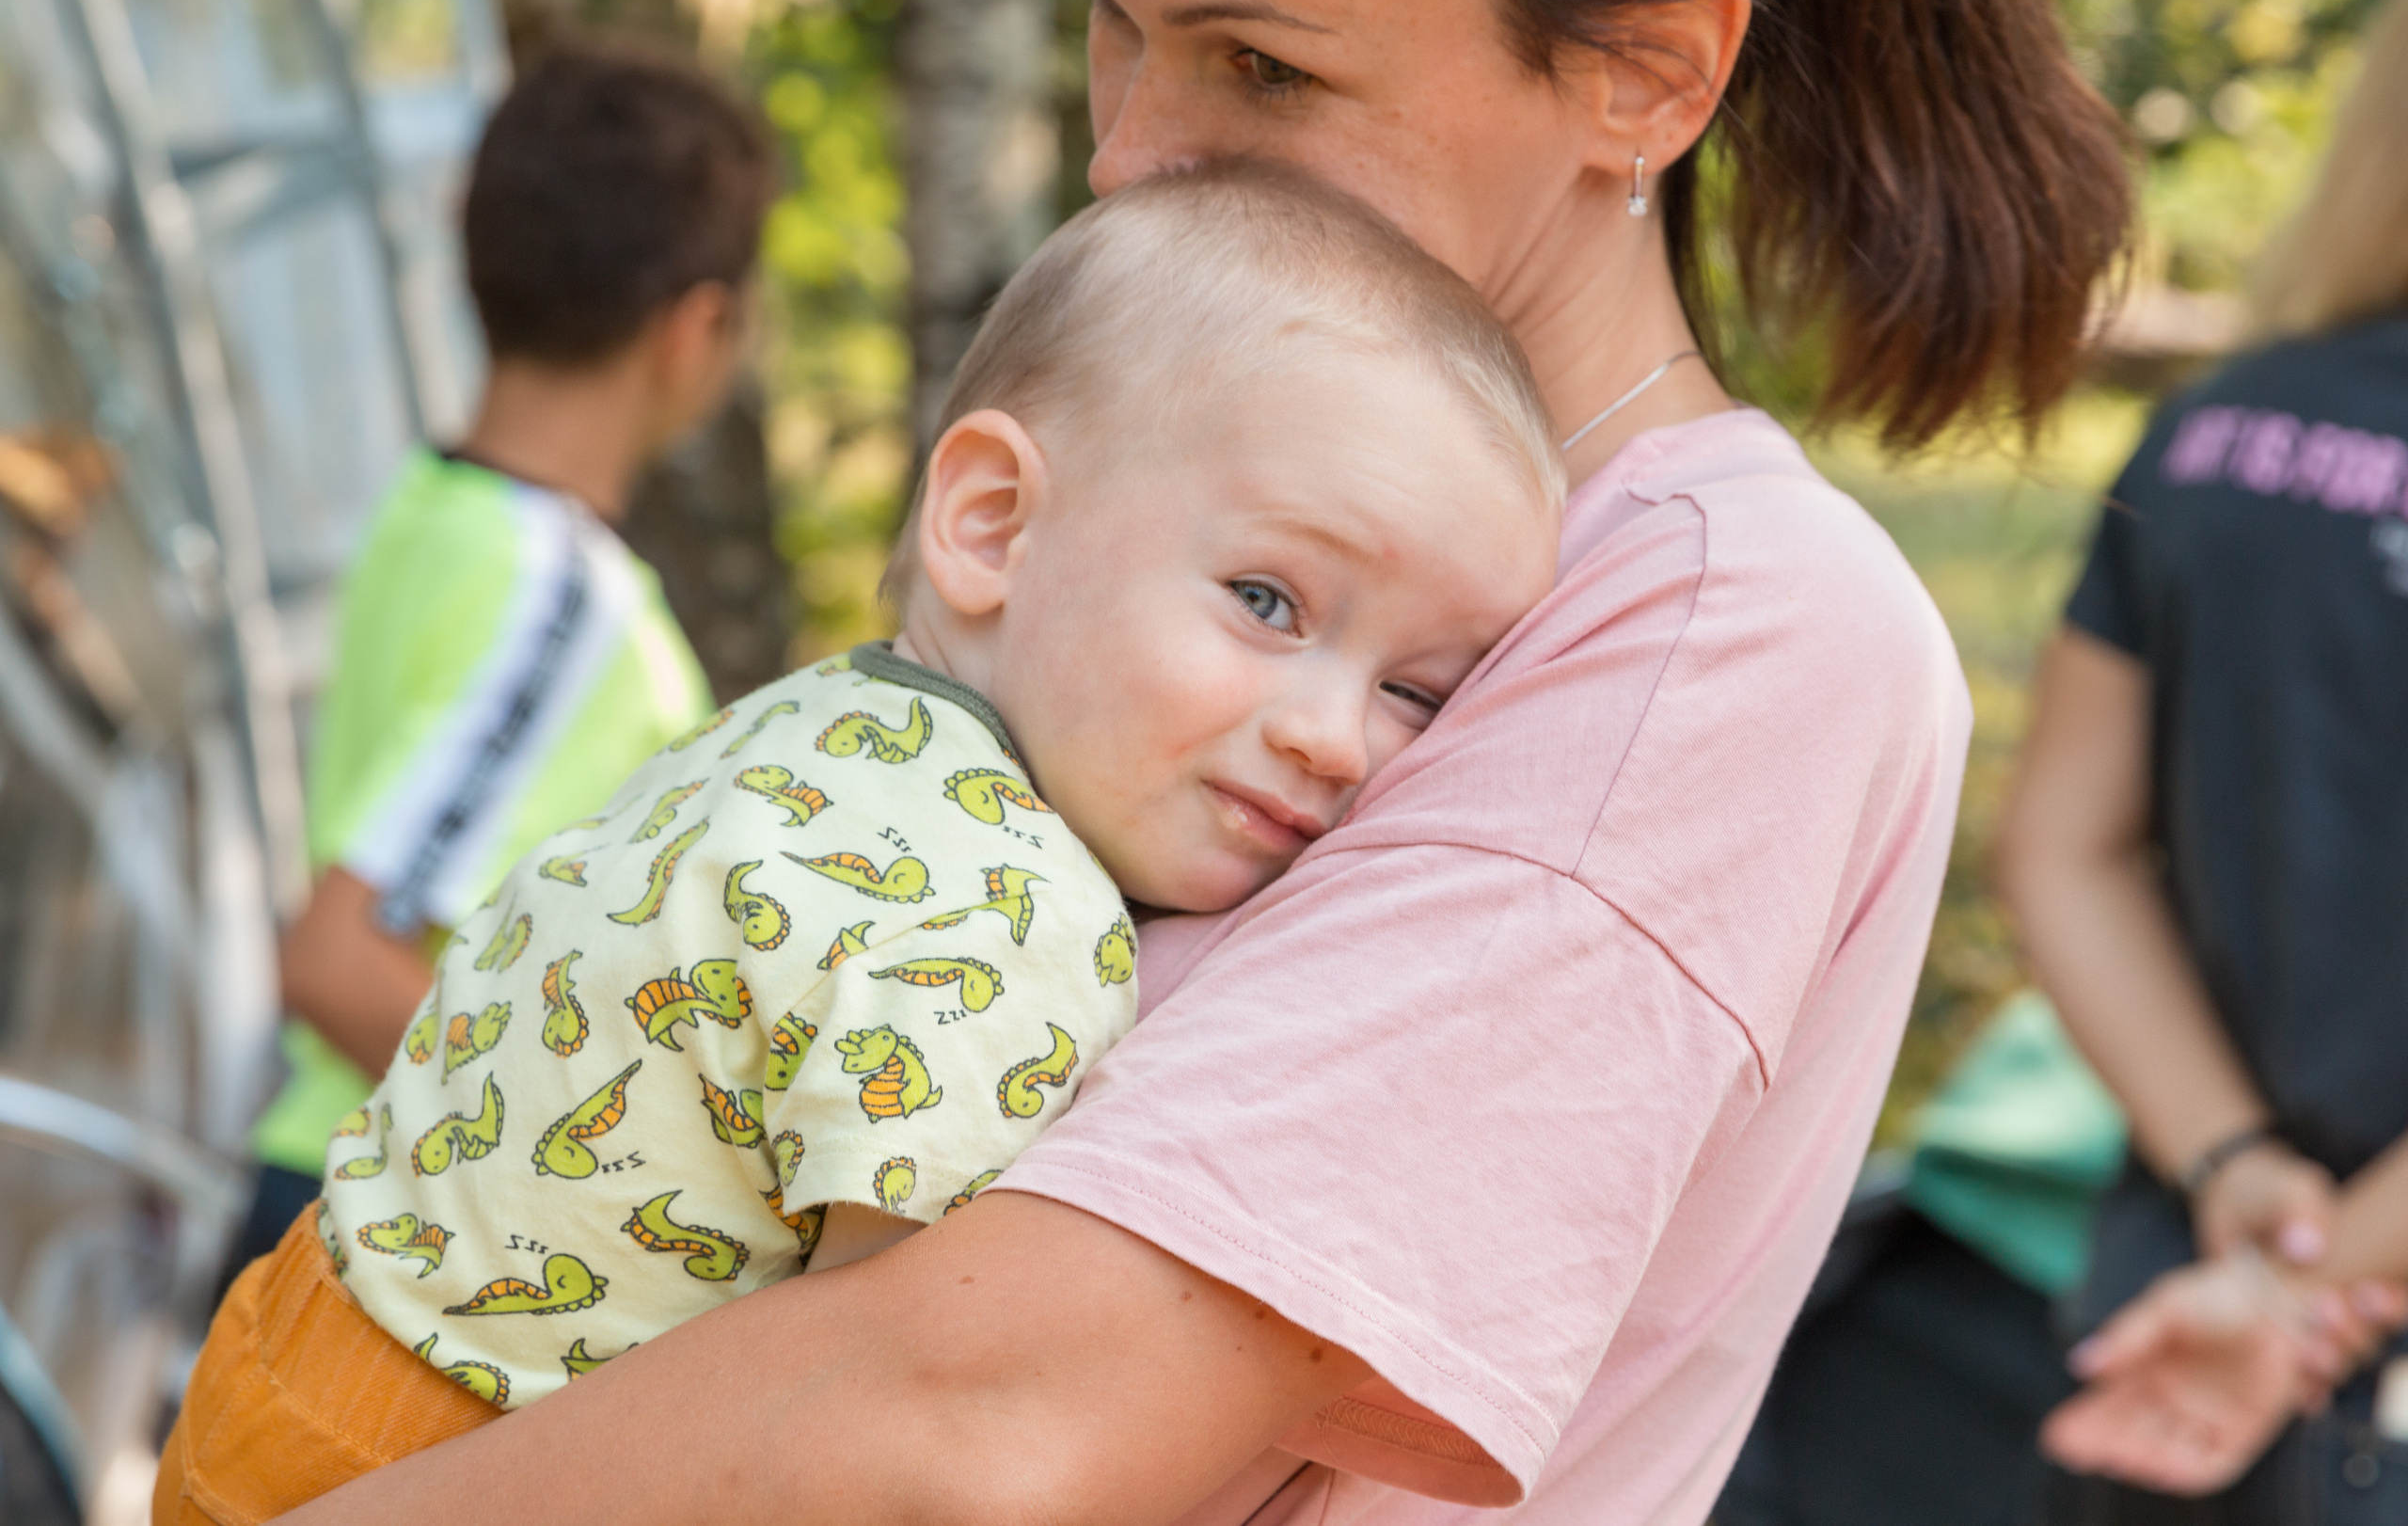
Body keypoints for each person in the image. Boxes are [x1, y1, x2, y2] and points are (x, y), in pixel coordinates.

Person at [259, 0, 2133, 1521]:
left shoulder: (1722, 627)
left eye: (1259, 66)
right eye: (1110, 18)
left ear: (1641, 75)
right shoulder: (1201, 479)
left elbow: (977, 1416)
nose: (1131, 153)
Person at [158, 162, 1567, 1526]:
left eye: (1417, 692)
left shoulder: (829, 723)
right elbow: (861, 1424)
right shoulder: (998, 907)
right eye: (1269, 599)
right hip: (460, 1458)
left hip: (296, 1347)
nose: (1337, 736)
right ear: (991, 523)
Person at [231, 42, 771, 1279]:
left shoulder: (429, 513)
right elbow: (341, 955)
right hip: (380, 1237)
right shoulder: (568, 605)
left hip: (327, 1202)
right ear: (696, 326)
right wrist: (635, 1167)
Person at [2000, 0, 2408, 1521]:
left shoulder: (2221, 431)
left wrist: (2236, 1173)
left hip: (2180, 1322)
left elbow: (2064, 850)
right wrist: (2319, 1287)